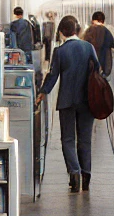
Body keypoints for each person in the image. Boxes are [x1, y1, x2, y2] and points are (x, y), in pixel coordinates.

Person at [36, 15, 100, 193]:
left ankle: (74, 173)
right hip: (88, 100)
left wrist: (43, 92)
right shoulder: (88, 47)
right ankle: (86, 176)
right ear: (76, 30)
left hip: (67, 101)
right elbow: (98, 69)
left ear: (62, 32)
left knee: (68, 139)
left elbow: (53, 75)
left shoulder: (60, 51)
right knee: (85, 139)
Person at [83, 11, 114, 77]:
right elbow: (110, 49)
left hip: (89, 70)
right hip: (103, 70)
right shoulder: (107, 32)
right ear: (103, 21)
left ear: (92, 20)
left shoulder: (88, 32)